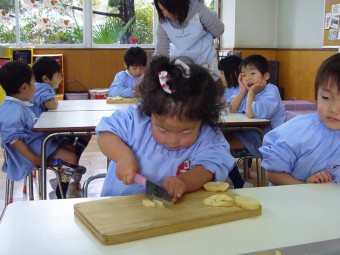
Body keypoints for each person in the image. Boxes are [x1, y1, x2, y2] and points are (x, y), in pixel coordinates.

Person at [96, 56, 234, 203]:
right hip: (118, 206)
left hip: (172, 215)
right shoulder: (136, 121)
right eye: (162, 129)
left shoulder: (207, 135)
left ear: (203, 119)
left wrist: (184, 181)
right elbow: (106, 134)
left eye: (186, 132)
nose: (173, 141)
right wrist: (122, 156)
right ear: (149, 113)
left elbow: (209, 166)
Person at [0, 61, 80, 198]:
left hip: (35, 143)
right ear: (24, 87)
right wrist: (33, 158)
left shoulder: (18, 104)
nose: (36, 88)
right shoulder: (13, 110)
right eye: (33, 84)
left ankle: (62, 181)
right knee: (71, 157)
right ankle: (61, 192)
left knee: (72, 150)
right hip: (29, 150)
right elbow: (14, 139)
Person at [260, 53, 340, 185]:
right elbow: (272, 173)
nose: (334, 109)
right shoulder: (298, 130)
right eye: (325, 97)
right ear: (316, 95)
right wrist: (304, 186)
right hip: (294, 202)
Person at [224, 55, 285, 188]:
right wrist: (243, 90)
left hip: (265, 137)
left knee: (220, 145)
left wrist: (251, 91)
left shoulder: (271, 90)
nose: (248, 78)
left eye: (253, 73)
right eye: (244, 75)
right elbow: (232, 109)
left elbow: (251, 114)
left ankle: (239, 183)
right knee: (217, 139)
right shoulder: (246, 91)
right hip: (250, 133)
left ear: (266, 76)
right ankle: (237, 182)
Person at [31, 56, 91, 163]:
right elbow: (50, 105)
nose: (61, 79)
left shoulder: (37, 86)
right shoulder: (43, 87)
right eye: (58, 76)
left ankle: (70, 167)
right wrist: (55, 102)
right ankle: (69, 170)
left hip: (40, 134)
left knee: (73, 147)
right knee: (73, 153)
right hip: (38, 139)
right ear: (46, 79)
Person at [153, 0, 224, 81]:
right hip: (180, 66)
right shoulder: (163, 23)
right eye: (161, 10)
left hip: (206, 63)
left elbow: (218, 31)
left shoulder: (199, 10)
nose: (165, 14)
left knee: (205, 89)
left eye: (168, 9)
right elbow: (161, 53)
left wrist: (207, 37)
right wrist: (153, 74)